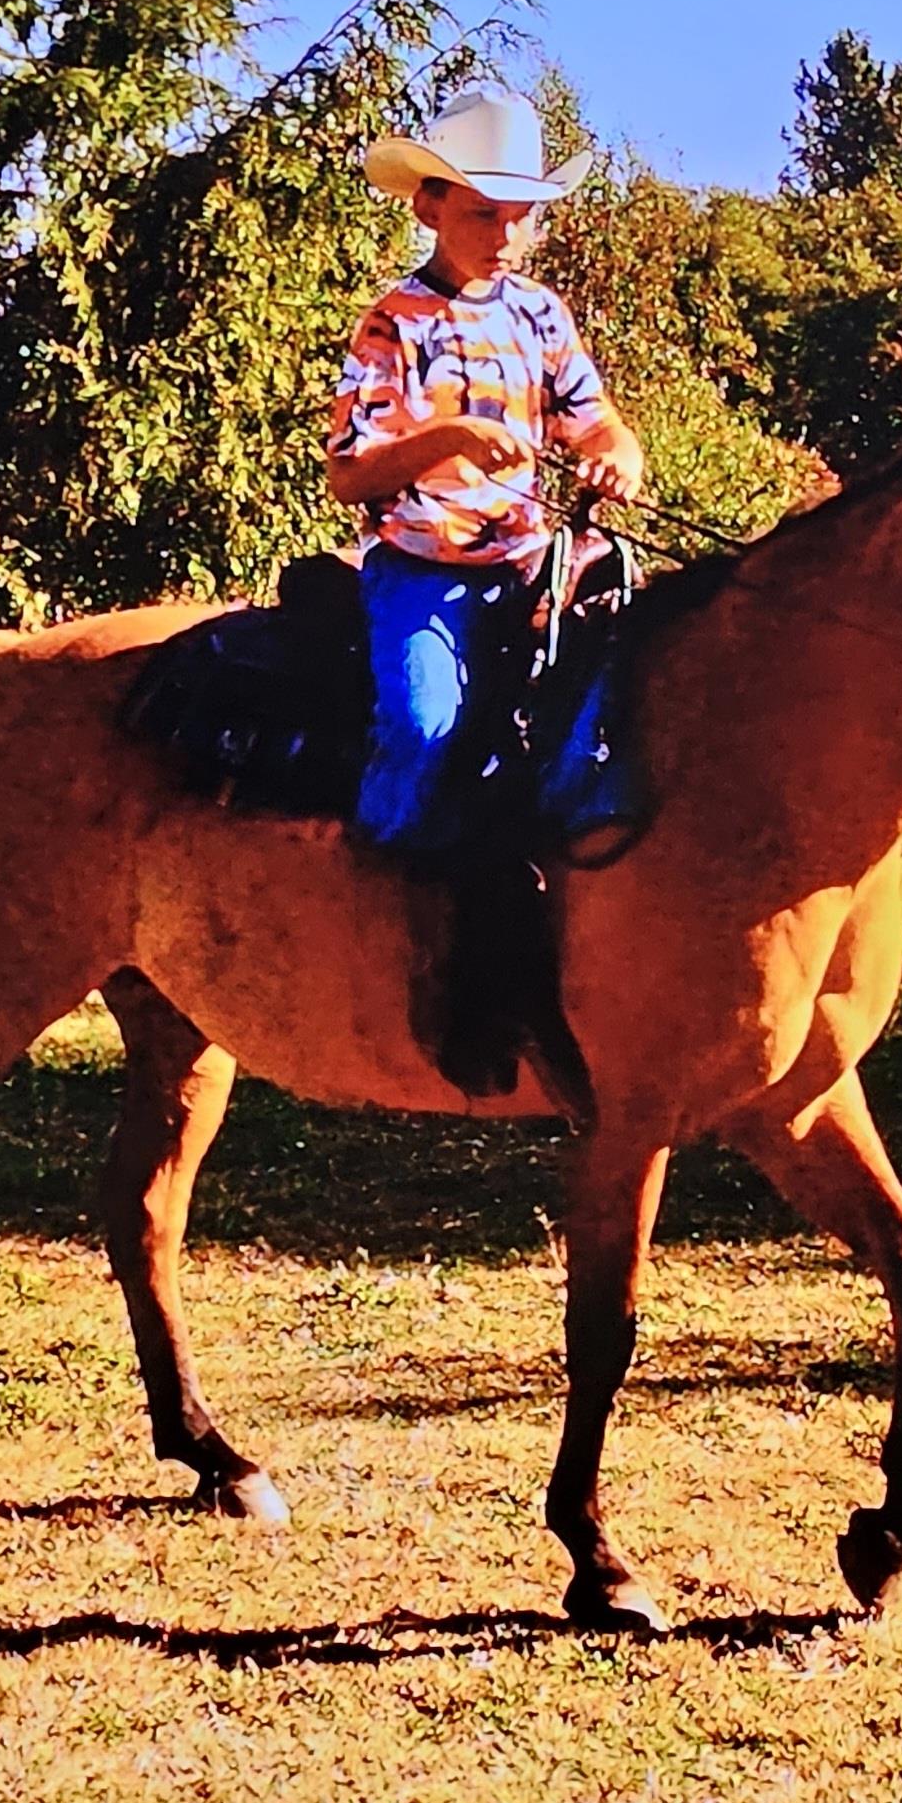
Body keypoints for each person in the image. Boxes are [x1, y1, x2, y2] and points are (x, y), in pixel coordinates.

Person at [329, 85, 646, 1093]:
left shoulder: (540, 315)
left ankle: (567, 942)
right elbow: (351, 470)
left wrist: (615, 458)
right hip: (424, 572)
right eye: (483, 212)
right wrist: (452, 438)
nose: (506, 234)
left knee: (617, 724)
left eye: (521, 214)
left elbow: (596, 422)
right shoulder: (395, 320)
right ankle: (379, 885)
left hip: (529, 568)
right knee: (426, 727)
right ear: (428, 207)